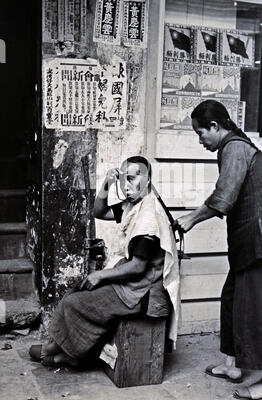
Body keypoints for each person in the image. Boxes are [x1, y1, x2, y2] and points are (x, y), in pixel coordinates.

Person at [175, 100, 262, 400]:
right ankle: (235, 366)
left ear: (216, 127)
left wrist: (190, 219)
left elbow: (224, 197)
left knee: (259, 310)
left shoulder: (235, 147)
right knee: (232, 301)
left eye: (201, 133)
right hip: (248, 241)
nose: (200, 140)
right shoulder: (232, 148)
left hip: (261, 240)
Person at [29, 156, 180, 368]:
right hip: (133, 283)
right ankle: (60, 349)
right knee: (78, 290)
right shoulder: (134, 205)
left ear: (147, 180)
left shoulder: (149, 216)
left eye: (132, 178)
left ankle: (61, 354)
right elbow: (99, 212)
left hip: (143, 292)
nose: (126, 185)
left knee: (76, 303)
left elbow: (138, 266)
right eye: (123, 179)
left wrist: (99, 274)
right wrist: (107, 185)